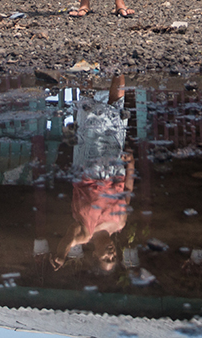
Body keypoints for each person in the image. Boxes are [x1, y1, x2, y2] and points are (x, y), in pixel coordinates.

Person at [52, 74, 134, 273]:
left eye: (107, 258)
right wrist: (131, 164)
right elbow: (128, 191)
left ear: (95, 255)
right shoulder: (120, 223)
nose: (111, 253)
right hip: (115, 165)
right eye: (114, 257)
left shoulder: (85, 234)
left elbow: (68, 240)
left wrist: (60, 256)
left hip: (89, 167)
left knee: (90, 113)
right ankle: (117, 66)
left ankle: (87, 69)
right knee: (116, 112)